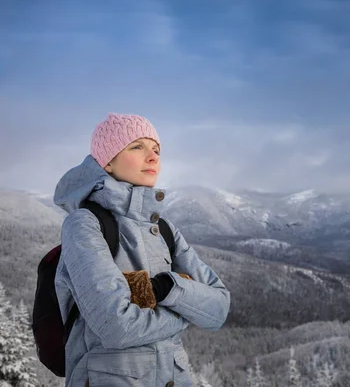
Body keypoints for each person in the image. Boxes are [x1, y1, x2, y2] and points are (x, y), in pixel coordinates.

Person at [53, 113, 230, 387]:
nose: (153, 157)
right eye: (137, 146)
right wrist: (187, 311)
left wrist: (165, 289)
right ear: (107, 162)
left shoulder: (166, 229)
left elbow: (219, 308)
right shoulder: (85, 224)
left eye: (156, 149)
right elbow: (116, 327)